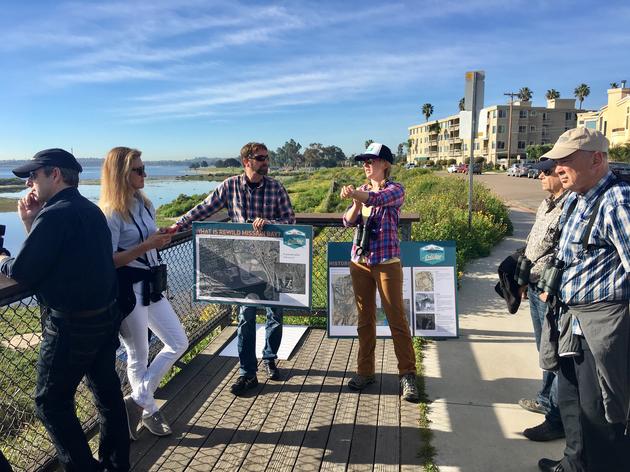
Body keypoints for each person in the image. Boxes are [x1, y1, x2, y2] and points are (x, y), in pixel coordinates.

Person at [0, 149, 129, 471]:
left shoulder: (56, 214)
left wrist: (3, 258)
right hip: (104, 317)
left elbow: (25, 271)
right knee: (106, 392)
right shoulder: (87, 209)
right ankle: (116, 464)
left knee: (50, 404)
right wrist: (31, 222)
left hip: (71, 327)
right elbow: (57, 258)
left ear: (54, 174)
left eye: (34, 175)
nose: (29, 182)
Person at [535, 128, 630, 472]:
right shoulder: (578, 198)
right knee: (571, 401)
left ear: (597, 159)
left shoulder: (617, 201)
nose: (558, 167)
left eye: (566, 160)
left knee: (601, 414)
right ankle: (573, 465)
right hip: (570, 321)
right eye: (557, 161)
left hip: (600, 325)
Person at [170, 142, 295, 396]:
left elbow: (290, 220)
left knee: (275, 314)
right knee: (245, 318)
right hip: (242, 264)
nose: (265, 162)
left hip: (272, 262)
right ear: (246, 161)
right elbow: (203, 208)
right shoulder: (229, 186)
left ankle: (270, 357)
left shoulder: (276, 188)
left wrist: (269, 223)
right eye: (260, 158)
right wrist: (178, 224)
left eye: (267, 158)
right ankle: (247, 372)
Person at [99, 147, 189, 440]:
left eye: (143, 168)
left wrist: (159, 237)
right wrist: (146, 245)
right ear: (121, 174)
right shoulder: (111, 213)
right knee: (137, 355)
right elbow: (109, 260)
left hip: (150, 285)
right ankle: (149, 411)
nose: (144, 174)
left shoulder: (145, 204)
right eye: (138, 170)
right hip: (127, 289)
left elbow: (147, 243)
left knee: (178, 342)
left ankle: (137, 402)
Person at [339, 142, 419, 402]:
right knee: (365, 320)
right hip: (360, 261)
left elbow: (377, 199)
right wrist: (353, 199)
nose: (366, 165)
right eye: (364, 161)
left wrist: (357, 196)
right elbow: (348, 221)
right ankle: (365, 371)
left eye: (371, 160)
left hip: (386, 262)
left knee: (396, 318)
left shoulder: (395, 190)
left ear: (385, 164)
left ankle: (407, 375)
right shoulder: (361, 191)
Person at [516, 159, 569, 442]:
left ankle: (556, 413)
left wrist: (551, 285)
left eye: (547, 172)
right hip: (536, 286)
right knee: (544, 350)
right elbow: (534, 243)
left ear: (562, 173)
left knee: (556, 351)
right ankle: (546, 399)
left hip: (552, 290)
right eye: (541, 171)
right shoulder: (546, 203)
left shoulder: (570, 207)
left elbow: (562, 252)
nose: (541, 176)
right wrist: (524, 279)